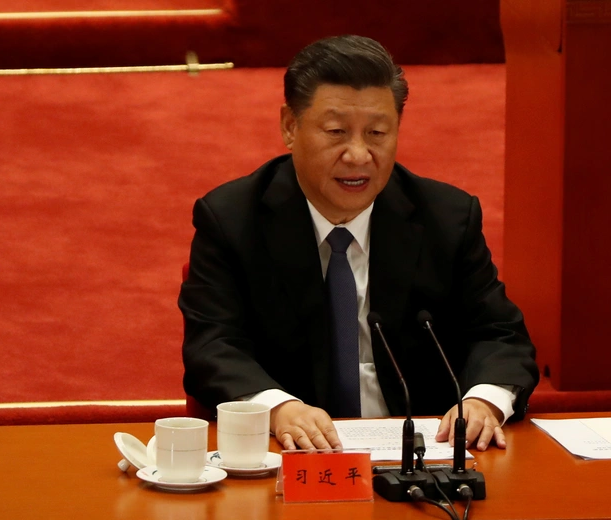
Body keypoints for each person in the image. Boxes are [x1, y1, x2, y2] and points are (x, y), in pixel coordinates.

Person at [179, 35, 538, 454]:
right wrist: (279, 409)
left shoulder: (446, 217)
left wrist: (482, 401)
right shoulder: (233, 219)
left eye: (377, 133)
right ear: (290, 127)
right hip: (294, 457)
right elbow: (211, 346)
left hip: (423, 455)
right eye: (336, 132)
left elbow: (500, 334)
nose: (358, 155)